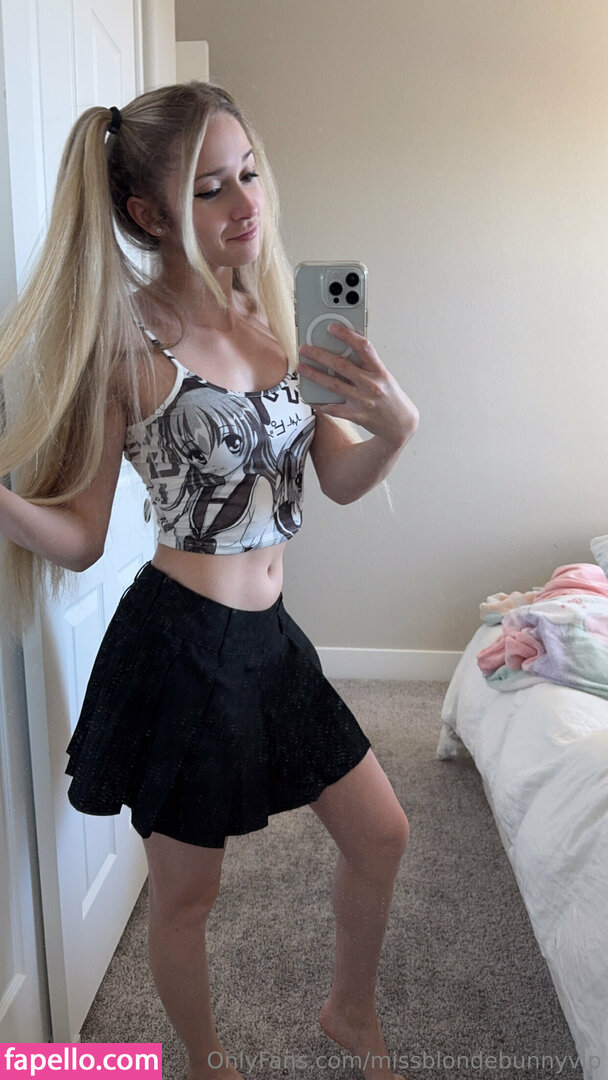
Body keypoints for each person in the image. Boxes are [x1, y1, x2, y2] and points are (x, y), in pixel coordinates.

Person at [0, 82, 419, 1080]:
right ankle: (206, 1061)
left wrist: (398, 428)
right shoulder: (125, 343)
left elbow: (336, 479)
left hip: (272, 640)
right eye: (209, 187)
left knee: (382, 835)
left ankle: (348, 1011)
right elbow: (81, 540)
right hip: (181, 647)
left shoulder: (275, 324)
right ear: (148, 214)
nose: (245, 204)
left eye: (249, 174)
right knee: (189, 897)